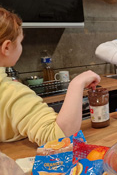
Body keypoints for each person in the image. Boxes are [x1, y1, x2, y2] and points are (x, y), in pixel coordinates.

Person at [0, 8, 101, 146]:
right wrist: (77, 83)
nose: (21, 47)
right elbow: (59, 138)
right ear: (6, 47)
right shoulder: (9, 92)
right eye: (20, 42)